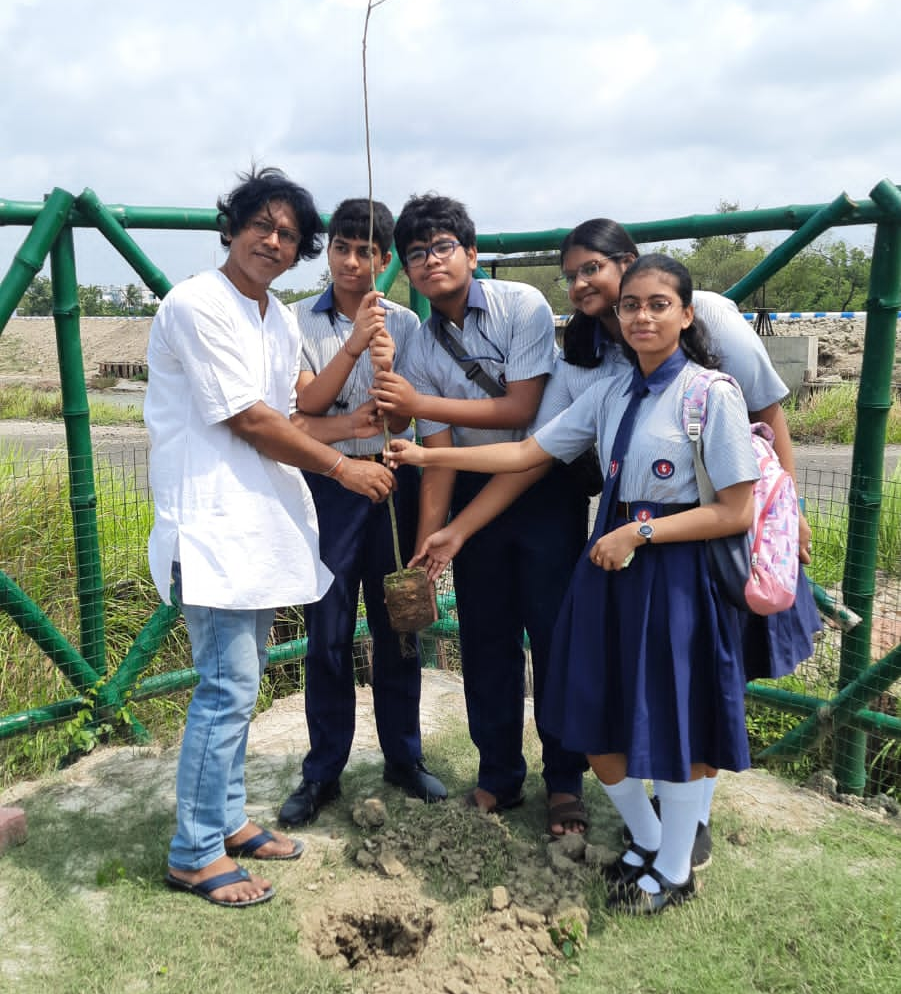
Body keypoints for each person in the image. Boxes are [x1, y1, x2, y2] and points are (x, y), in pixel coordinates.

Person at [411, 216, 820, 852]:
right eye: (631, 307)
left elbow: (750, 472)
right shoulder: (604, 381)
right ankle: (659, 839)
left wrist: (777, 516)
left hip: (694, 557)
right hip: (623, 553)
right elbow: (530, 453)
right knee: (631, 694)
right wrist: (428, 461)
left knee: (691, 696)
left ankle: (679, 849)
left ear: (685, 312)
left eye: (656, 305)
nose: (639, 316)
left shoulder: (711, 378)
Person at [146, 167, 395, 908]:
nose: (273, 240)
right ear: (232, 228)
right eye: (262, 224)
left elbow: (292, 407)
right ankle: (193, 851)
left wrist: (353, 353)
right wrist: (343, 470)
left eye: (289, 234)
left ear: (298, 252)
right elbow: (252, 422)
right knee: (226, 688)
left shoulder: (277, 318)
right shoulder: (196, 304)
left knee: (242, 682)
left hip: (260, 524)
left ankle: (224, 821)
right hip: (212, 521)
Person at [370, 193, 589, 822]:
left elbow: (522, 411)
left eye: (442, 247)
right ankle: (498, 774)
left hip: (544, 490)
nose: (430, 261)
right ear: (407, 271)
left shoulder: (521, 304)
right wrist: (431, 538)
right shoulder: (421, 346)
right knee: (485, 638)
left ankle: (566, 782)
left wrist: (420, 402)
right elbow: (435, 456)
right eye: (416, 253)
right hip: (472, 494)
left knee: (554, 637)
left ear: (471, 253)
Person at [277, 198, 447, 828]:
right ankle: (322, 771)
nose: (352, 263)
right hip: (324, 488)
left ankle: (404, 758)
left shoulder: (406, 323)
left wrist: (390, 372)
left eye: (367, 252)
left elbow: (411, 420)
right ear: (327, 252)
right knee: (326, 633)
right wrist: (352, 353)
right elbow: (298, 418)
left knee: (399, 627)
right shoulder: (292, 322)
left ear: (386, 260)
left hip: (393, 485)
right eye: (342, 248)